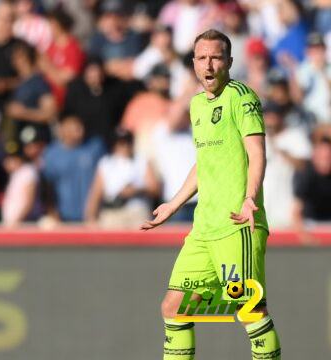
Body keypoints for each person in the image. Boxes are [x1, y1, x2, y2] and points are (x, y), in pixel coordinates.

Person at [141, 30, 281, 360]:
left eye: (216, 57)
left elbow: (257, 153)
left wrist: (251, 197)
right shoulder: (197, 106)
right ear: (193, 63)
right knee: (175, 306)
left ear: (229, 62)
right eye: (202, 58)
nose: (209, 64)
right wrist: (173, 205)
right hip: (204, 230)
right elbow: (204, 163)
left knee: (249, 307)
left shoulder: (241, 96)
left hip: (237, 225)